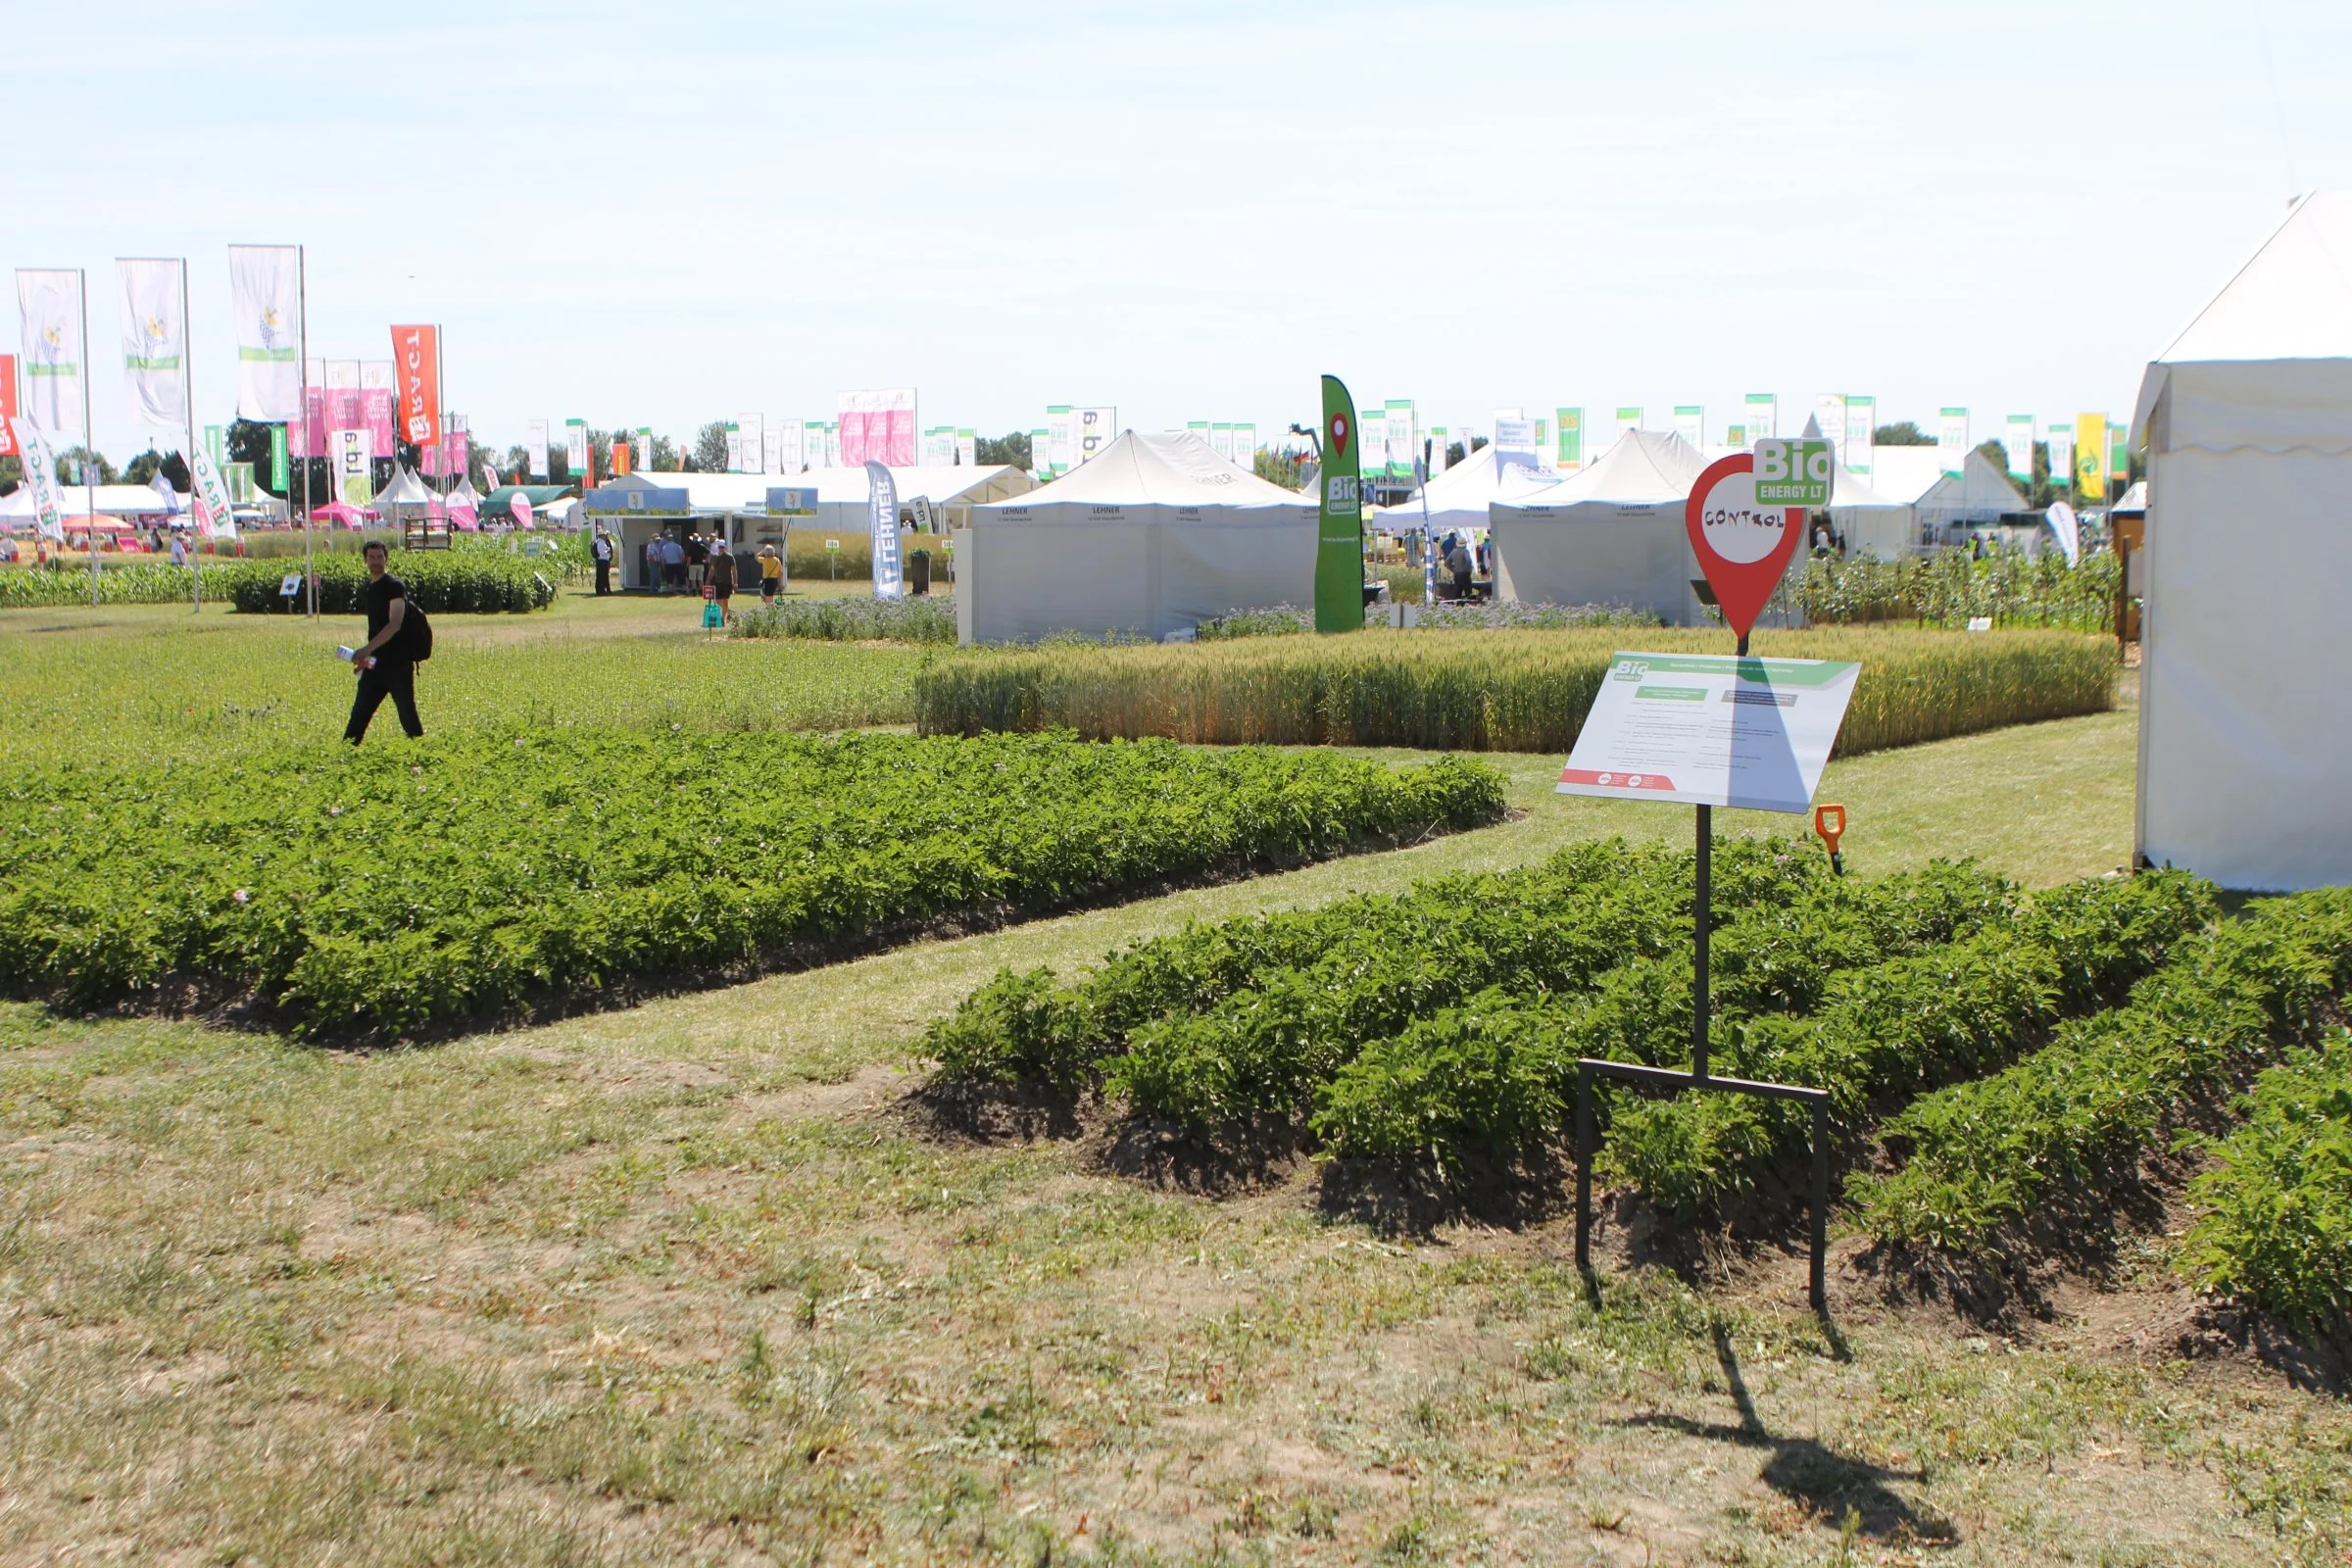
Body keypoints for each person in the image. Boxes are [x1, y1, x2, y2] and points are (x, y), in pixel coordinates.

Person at [345, 540, 424, 745]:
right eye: (371, 557)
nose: (376, 561)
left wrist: (366, 649)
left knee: (408, 716)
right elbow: (375, 629)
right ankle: (344, 759)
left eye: (379, 557)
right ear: (365, 560)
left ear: (386, 558)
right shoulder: (370, 588)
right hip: (374, 665)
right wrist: (366, 657)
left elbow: (394, 624)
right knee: (358, 716)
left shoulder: (395, 587)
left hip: (397, 664)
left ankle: (423, 756)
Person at [707, 538, 736, 622]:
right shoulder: (715, 557)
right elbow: (712, 569)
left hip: (727, 582)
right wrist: (708, 579)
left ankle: (723, 619)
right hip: (718, 582)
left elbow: (734, 570)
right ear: (718, 547)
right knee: (718, 601)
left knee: (725, 600)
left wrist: (735, 582)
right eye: (720, 547)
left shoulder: (730, 557)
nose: (721, 549)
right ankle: (730, 612)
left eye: (722, 547)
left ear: (725, 547)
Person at [1446, 536, 1473, 601]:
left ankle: (1457, 607)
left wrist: (1452, 569)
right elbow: (1469, 561)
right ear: (1465, 544)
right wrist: (1469, 569)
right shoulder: (1465, 551)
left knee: (1457, 594)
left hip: (1457, 574)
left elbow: (1447, 562)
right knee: (1468, 593)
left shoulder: (1453, 551)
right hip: (1465, 574)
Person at [591, 527, 614, 595]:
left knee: (600, 576)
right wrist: (608, 550)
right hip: (603, 561)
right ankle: (601, 590)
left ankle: (601, 590)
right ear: (602, 535)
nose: (606, 536)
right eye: (604, 535)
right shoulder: (601, 543)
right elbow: (602, 552)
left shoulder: (598, 542)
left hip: (601, 561)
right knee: (603, 576)